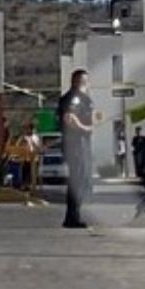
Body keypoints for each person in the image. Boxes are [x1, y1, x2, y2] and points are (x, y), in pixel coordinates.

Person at [57, 70, 95, 229]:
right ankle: (72, 218)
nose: (86, 85)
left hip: (80, 143)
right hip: (76, 143)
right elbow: (69, 117)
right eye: (83, 81)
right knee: (77, 181)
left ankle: (74, 215)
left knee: (82, 180)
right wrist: (85, 128)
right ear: (77, 82)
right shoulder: (75, 98)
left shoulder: (82, 98)